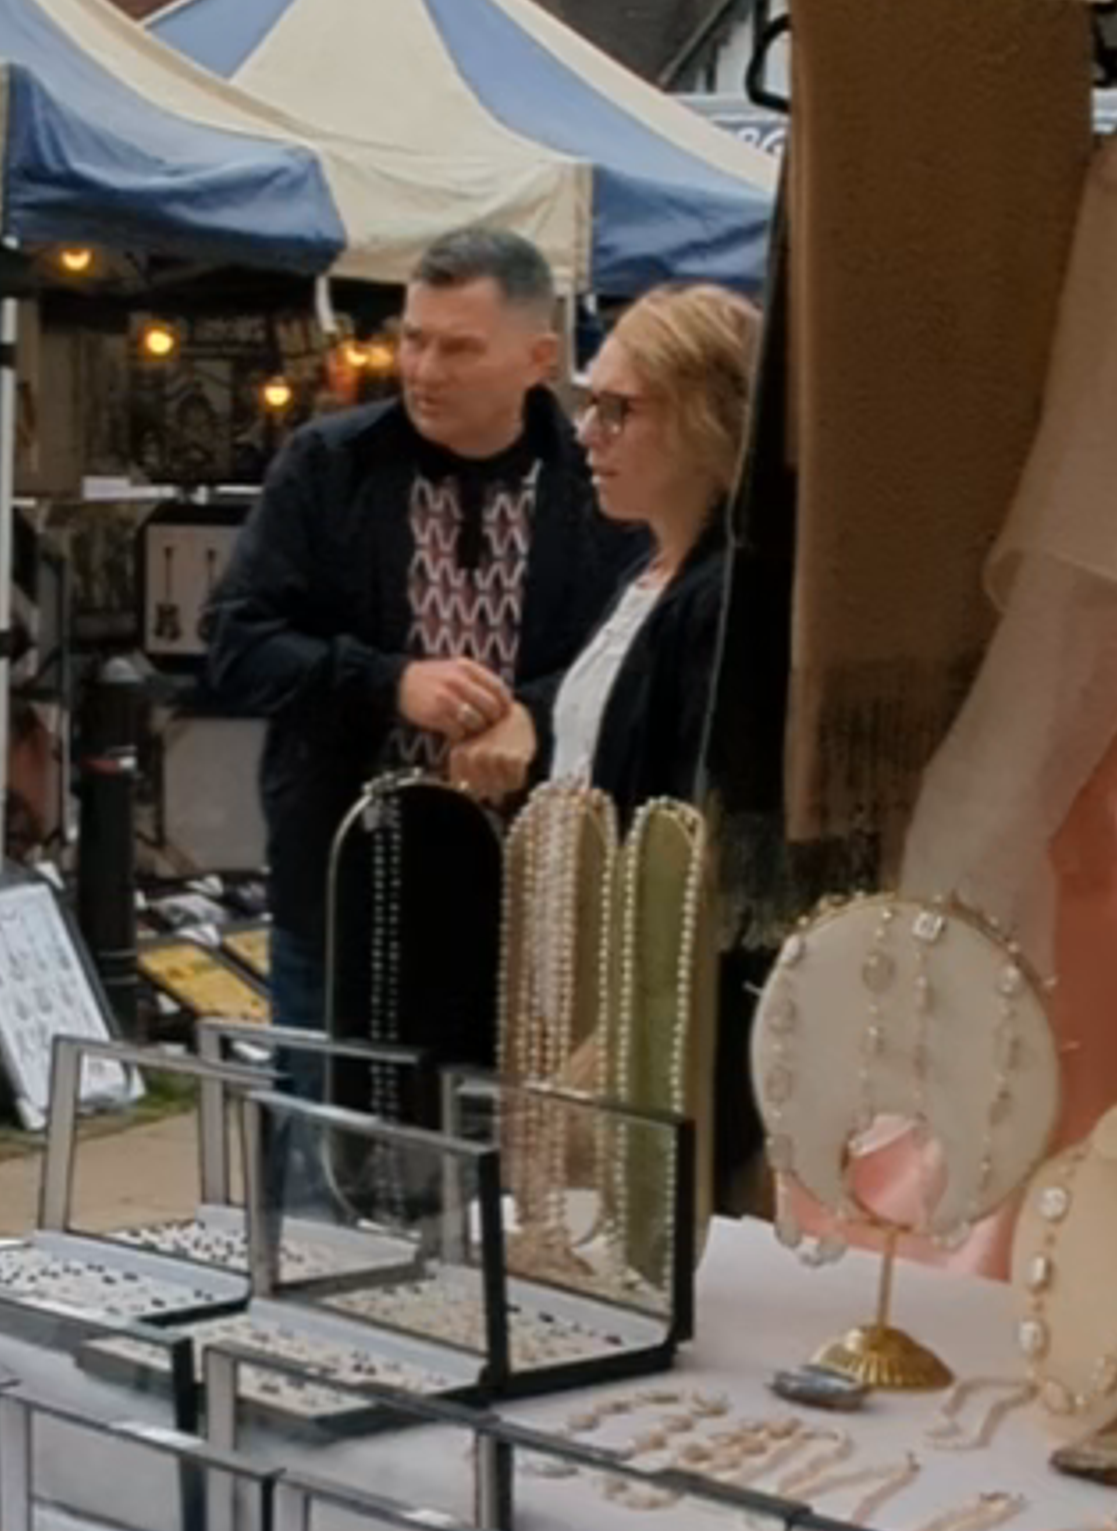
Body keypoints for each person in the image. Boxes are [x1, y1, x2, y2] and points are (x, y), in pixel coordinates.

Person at [197, 225, 633, 1066]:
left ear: (539, 358)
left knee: (509, 1159)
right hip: (345, 885)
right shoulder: (329, 467)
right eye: (414, 339)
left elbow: (635, 654)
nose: (426, 371)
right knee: (319, 1157)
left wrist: (535, 716)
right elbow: (235, 643)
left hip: (534, 895)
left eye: (460, 348)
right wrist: (389, 682)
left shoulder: (599, 486)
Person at [445, 281, 761, 819]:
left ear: (705, 418)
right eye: (591, 404)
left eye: (619, 410)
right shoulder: (647, 575)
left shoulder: (723, 600)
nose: (588, 432)